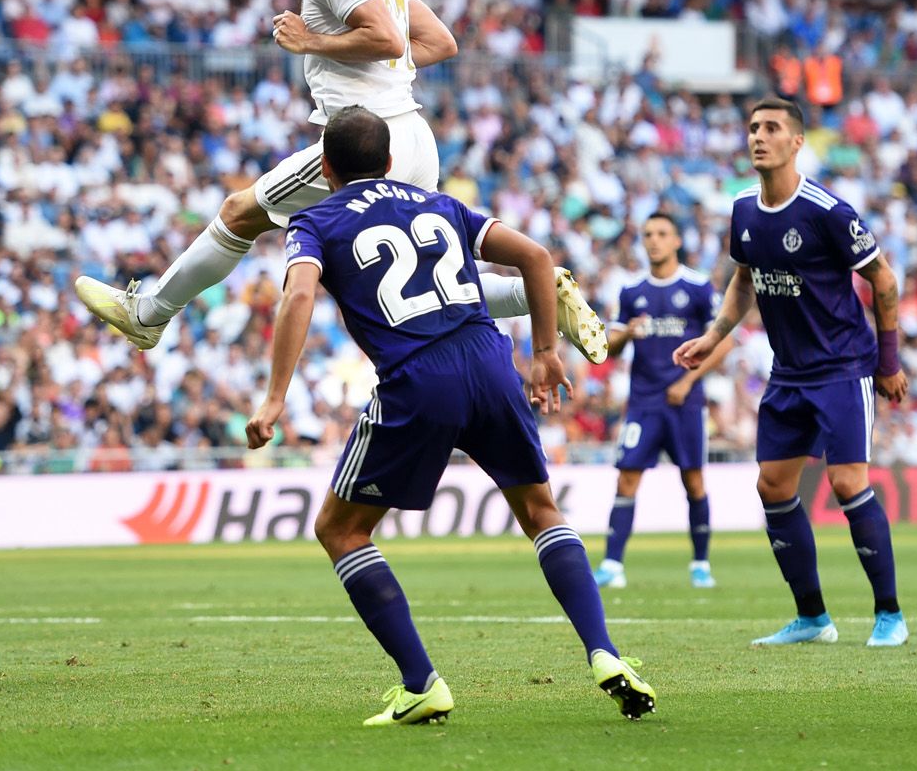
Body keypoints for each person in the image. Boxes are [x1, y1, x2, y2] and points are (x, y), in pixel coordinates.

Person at [76, 0, 606, 366]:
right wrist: (374, 68)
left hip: (367, 143)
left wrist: (311, 40)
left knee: (239, 214)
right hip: (411, 137)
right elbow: (439, 42)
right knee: (418, 279)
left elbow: (388, 39)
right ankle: (536, 294)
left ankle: (149, 315)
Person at [245, 105, 653, 727]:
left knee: (341, 530)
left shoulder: (315, 220)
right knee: (541, 511)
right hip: (491, 364)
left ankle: (421, 684)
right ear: (389, 161)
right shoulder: (440, 204)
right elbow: (537, 257)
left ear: (324, 168)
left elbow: (300, 293)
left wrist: (276, 396)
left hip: (418, 379)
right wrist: (546, 353)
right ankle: (605, 652)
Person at [674, 96, 909, 649]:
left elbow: (884, 280)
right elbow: (744, 280)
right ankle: (812, 618)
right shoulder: (743, 209)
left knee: (847, 482)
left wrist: (888, 362)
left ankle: (889, 613)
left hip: (843, 367)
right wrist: (713, 336)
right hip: (789, 373)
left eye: (772, 128)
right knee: (773, 486)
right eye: (754, 127)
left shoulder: (828, 212)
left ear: (797, 142)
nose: (759, 136)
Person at [593, 213, 730, 591]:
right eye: (648, 234)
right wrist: (627, 334)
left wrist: (688, 382)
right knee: (626, 477)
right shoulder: (631, 290)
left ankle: (700, 564)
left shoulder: (698, 287)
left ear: (676, 241)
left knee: (694, 481)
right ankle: (611, 564)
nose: (653, 240)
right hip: (643, 402)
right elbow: (608, 348)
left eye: (661, 233)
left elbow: (723, 343)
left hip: (686, 402)